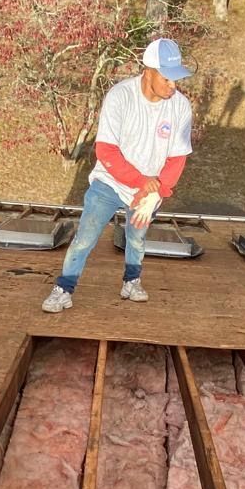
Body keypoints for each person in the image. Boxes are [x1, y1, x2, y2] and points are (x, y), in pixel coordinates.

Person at [42, 39, 194, 312]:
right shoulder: (120, 96)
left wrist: (158, 191)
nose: (173, 85)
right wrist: (141, 182)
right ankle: (63, 288)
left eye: (176, 79)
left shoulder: (180, 106)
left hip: (149, 190)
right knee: (85, 238)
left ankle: (131, 282)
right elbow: (106, 150)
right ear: (148, 70)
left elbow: (178, 157)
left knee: (137, 238)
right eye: (167, 78)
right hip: (110, 183)